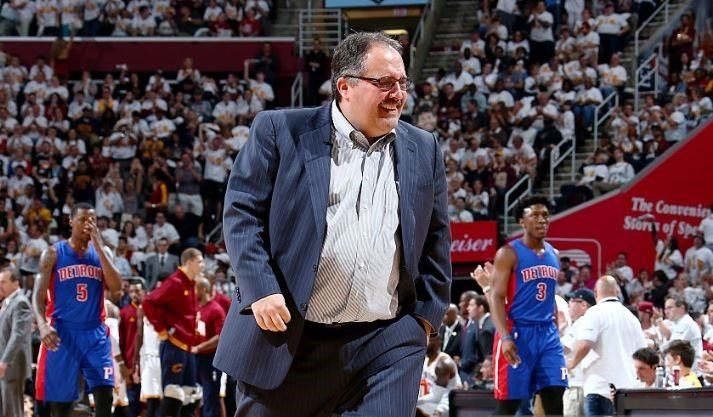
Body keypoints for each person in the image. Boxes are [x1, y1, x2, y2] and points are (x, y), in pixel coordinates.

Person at [213, 31, 452, 417]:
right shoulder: (280, 130)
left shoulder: (424, 148)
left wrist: (424, 319)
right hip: (291, 337)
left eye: (402, 83)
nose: (397, 94)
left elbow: (437, 238)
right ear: (345, 86)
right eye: (385, 83)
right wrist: (260, 289)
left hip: (386, 341)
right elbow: (242, 214)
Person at [471, 195, 567, 416]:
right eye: (535, 215)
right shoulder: (508, 253)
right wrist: (505, 336)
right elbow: (496, 297)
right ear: (522, 221)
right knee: (509, 406)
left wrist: (554, 330)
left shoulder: (554, 254)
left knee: (555, 395)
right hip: (517, 332)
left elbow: (550, 297)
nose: (542, 220)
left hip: (547, 335)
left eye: (545, 215)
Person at [33, 203, 123, 417]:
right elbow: (37, 296)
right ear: (71, 221)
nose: (87, 224)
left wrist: (99, 248)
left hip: (95, 333)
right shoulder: (53, 253)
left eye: (92, 220)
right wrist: (43, 326)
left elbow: (117, 289)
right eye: (82, 219)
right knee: (61, 406)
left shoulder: (102, 253)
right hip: (63, 333)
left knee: (105, 396)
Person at [567, 276, 646, 417]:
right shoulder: (631, 317)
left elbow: (585, 344)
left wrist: (571, 364)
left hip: (599, 388)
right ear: (617, 292)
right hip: (625, 390)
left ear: (596, 292)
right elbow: (642, 352)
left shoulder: (594, 312)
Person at [142, 248, 204, 417]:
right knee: (173, 395)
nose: (203, 265)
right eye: (199, 262)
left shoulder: (191, 283)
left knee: (191, 395)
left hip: (188, 346)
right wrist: (161, 329)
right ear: (189, 262)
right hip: (174, 345)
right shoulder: (175, 282)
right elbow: (148, 302)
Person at [0, 267, 33, 417]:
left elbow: (17, 335)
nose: (0, 286)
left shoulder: (20, 302)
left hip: (12, 365)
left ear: (16, 283)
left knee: (12, 411)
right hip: (5, 364)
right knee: (5, 410)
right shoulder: (7, 302)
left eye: (3, 282)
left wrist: (5, 361)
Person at [193, 276, 226, 417]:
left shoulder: (216, 309)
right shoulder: (195, 308)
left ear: (203, 289)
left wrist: (199, 347)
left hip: (211, 359)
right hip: (195, 358)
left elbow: (220, 337)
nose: (192, 291)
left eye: (195, 288)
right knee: (194, 397)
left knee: (210, 397)